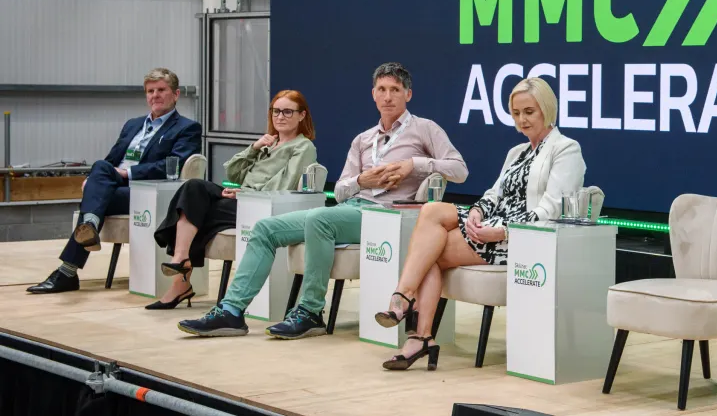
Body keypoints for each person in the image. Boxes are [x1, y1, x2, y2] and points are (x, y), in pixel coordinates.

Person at [176, 63, 468, 339]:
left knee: (319, 219)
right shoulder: (363, 139)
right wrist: (361, 181)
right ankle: (231, 311)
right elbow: (340, 190)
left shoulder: (424, 129)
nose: (388, 96)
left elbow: (459, 170)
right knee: (265, 229)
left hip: (388, 215)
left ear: (408, 94)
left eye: (395, 89)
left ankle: (310, 311)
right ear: (373, 94)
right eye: (382, 89)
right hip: (352, 208)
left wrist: (414, 165)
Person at [376, 76, 586, 371]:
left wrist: (502, 231)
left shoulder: (566, 149)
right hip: (492, 226)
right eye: (516, 113)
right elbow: (494, 193)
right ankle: (414, 322)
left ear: (546, 109)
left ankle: (410, 317)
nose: (522, 120)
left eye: (529, 112)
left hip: (522, 237)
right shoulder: (517, 152)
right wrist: (476, 211)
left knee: (429, 254)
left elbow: (549, 210)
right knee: (433, 212)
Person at [28, 68, 202, 295]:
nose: (155, 95)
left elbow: (174, 165)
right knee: (100, 167)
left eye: (161, 90)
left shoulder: (187, 128)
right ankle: (85, 233)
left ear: (176, 94)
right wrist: (93, 180)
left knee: (97, 199)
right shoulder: (133, 124)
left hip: (147, 192)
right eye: (150, 91)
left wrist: (128, 174)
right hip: (114, 186)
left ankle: (68, 269)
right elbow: (110, 161)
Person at [146, 91, 318, 310]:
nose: (280, 117)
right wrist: (254, 148)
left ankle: (181, 278)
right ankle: (180, 258)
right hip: (242, 197)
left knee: (196, 210)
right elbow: (232, 174)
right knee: (193, 187)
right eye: (276, 111)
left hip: (262, 204)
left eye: (287, 111)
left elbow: (284, 184)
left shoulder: (303, 147)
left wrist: (245, 195)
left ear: (302, 115)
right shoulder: (268, 142)